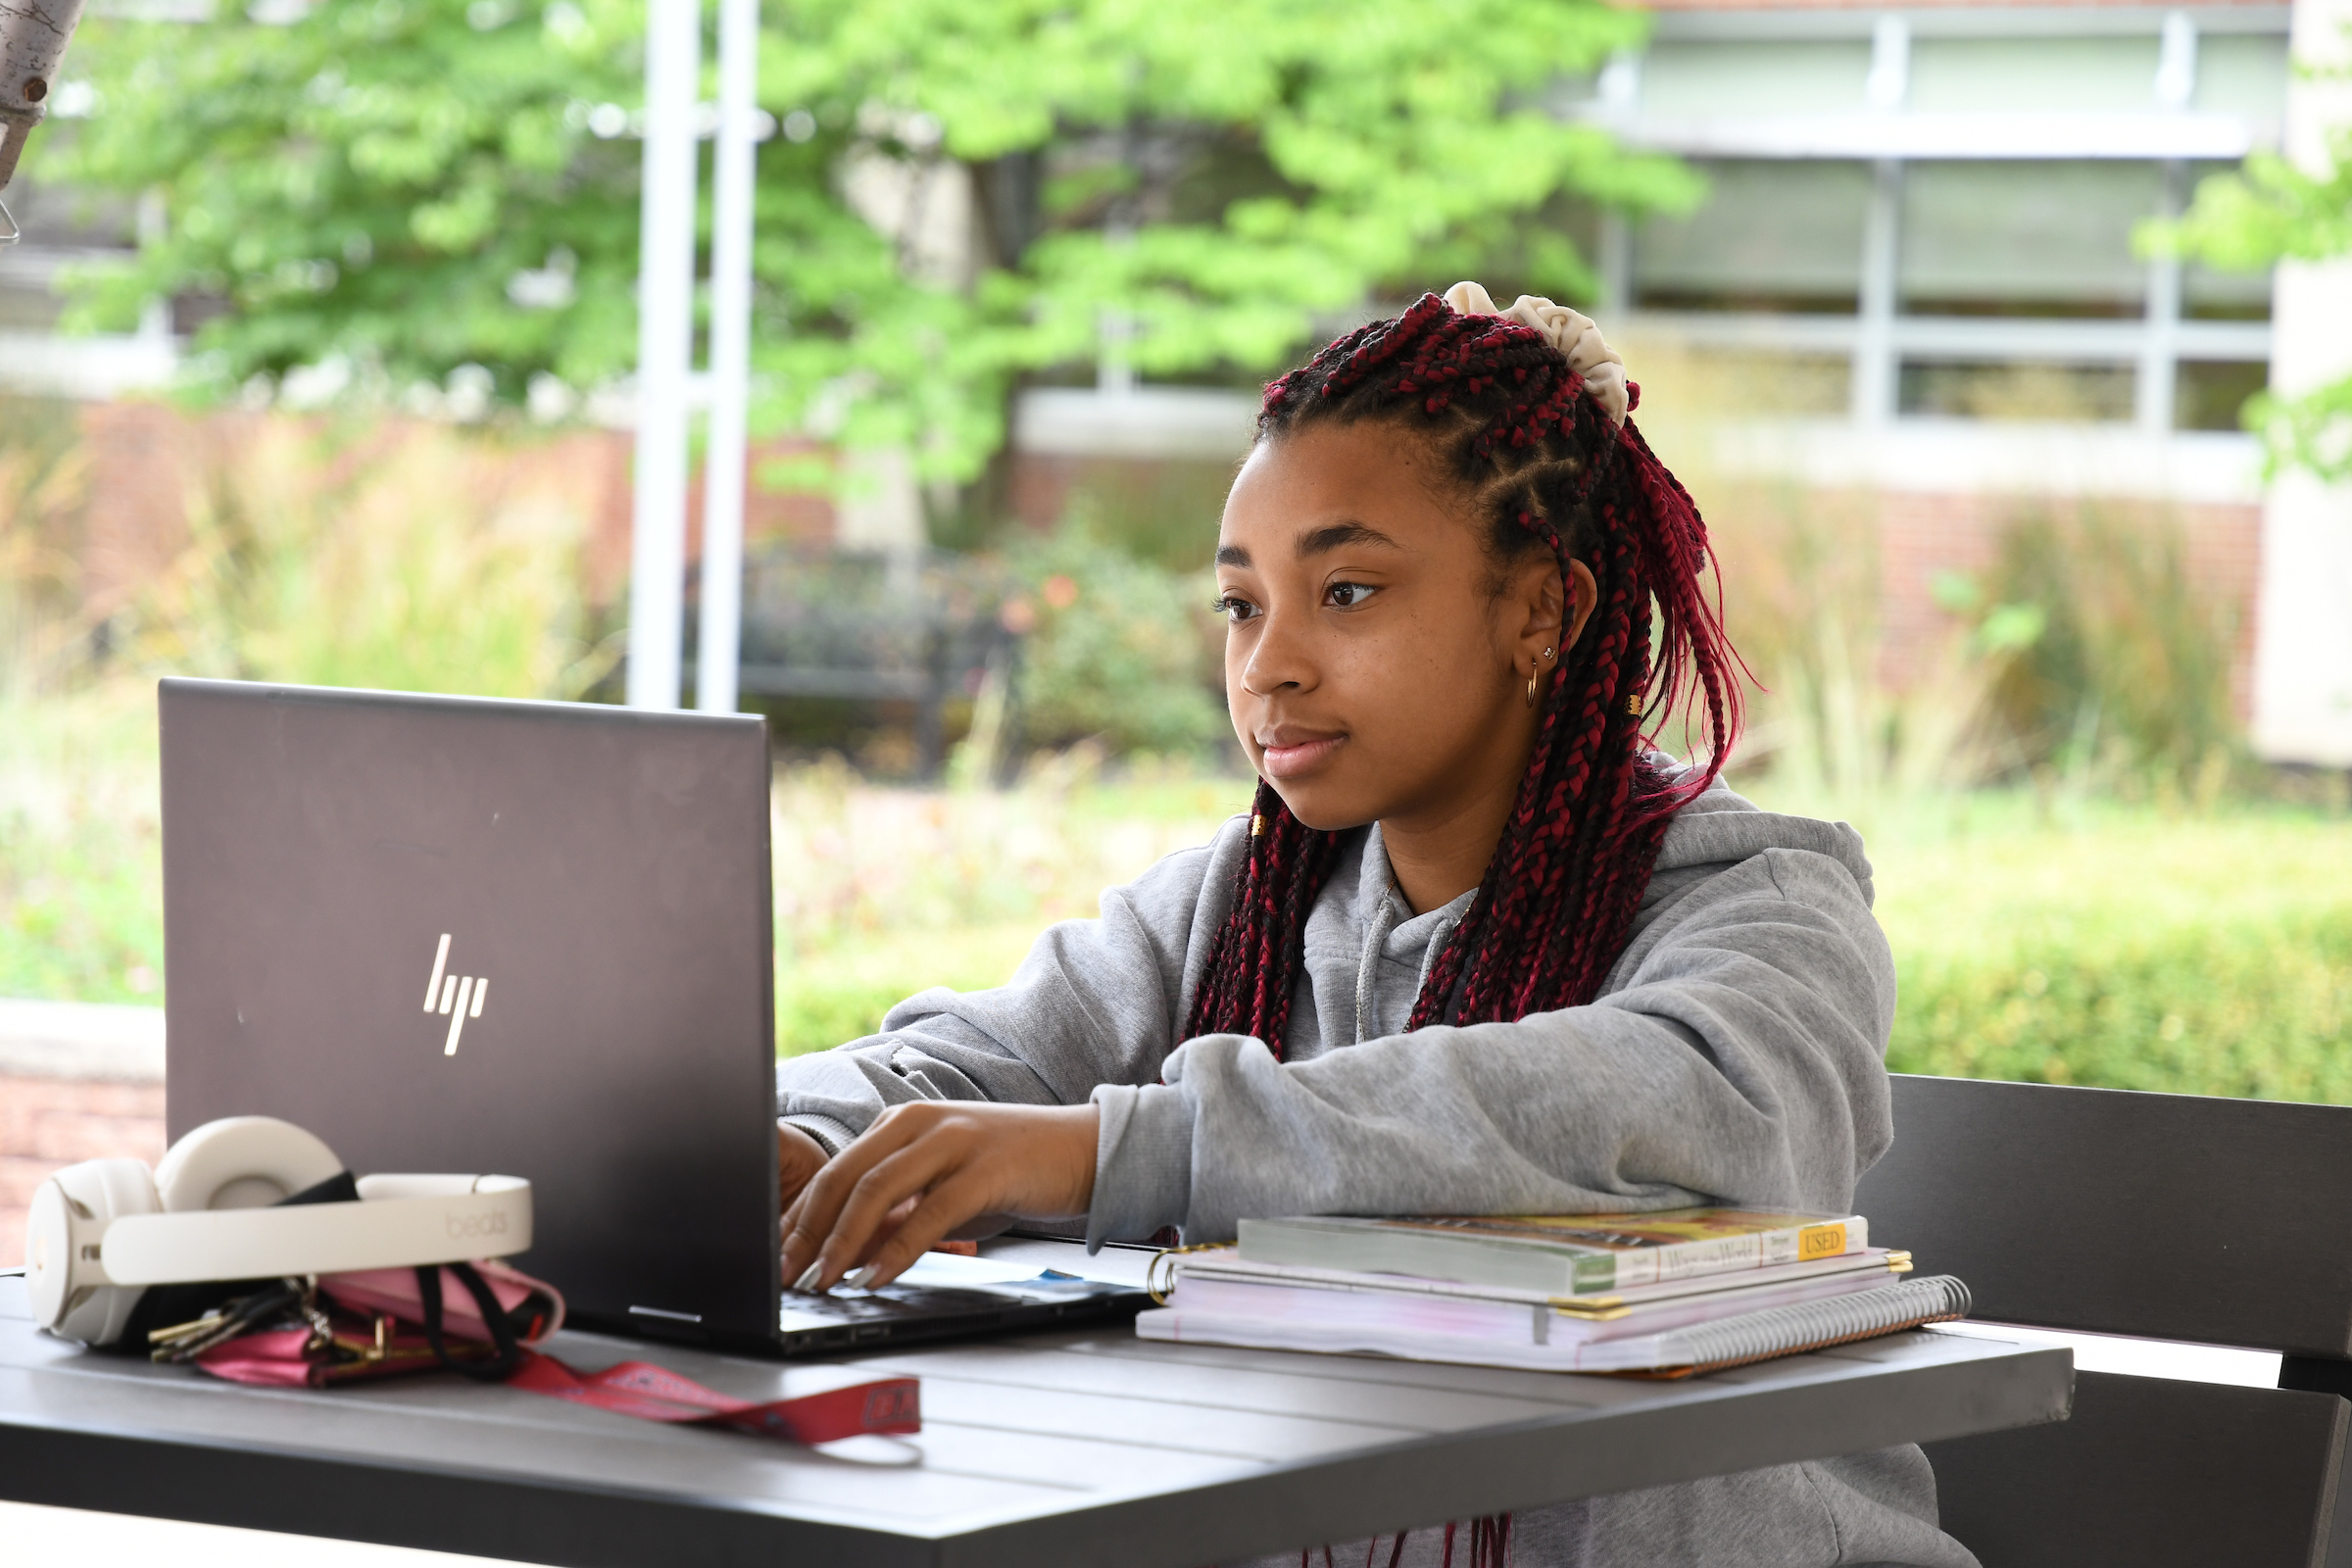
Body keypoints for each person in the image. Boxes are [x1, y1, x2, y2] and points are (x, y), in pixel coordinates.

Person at [770, 283, 1979, 1568]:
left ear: (1544, 613)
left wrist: (1115, 1152)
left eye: (1345, 592)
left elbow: (1620, 1101)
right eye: (1242, 605)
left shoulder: (1761, 911)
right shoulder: (1242, 904)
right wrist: (801, 1140)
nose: (1267, 663)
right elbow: (955, 1071)